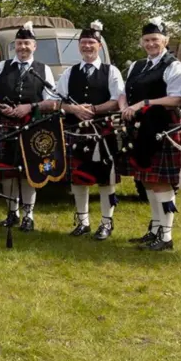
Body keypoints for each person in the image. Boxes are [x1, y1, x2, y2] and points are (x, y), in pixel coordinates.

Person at [117, 17, 181, 251]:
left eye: (155, 39)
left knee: (161, 182)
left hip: (163, 126)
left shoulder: (172, 65)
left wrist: (145, 103)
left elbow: (177, 98)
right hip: (140, 127)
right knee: (147, 179)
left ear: (165, 40)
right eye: (146, 40)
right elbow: (124, 92)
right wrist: (125, 107)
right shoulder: (137, 66)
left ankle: (166, 236)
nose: (150, 44)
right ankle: (156, 228)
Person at [0, 21, 58, 232]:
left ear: (34, 46)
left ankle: (28, 215)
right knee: (6, 170)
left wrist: (29, 107)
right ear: (14, 46)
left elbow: (51, 101)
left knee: (28, 171)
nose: (23, 47)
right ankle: (12, 212)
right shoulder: (1, 67)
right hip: (4, 124)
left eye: (27, 43)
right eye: (19, 43)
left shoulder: (43, 69)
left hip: (31, 125)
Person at [56, 21, 124, 240]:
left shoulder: (111, 71)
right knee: (78, 179)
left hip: (103, 132)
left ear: (99, 46)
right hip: (76, 131)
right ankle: (83, 221)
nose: (87, 46)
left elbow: (116, 100)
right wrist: (74, 109)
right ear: (79, 46)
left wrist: (94, 109)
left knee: (106, 180)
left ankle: (106, 223)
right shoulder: (70, 72)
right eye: (83, 43)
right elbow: (58, 100)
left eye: (91, 43)